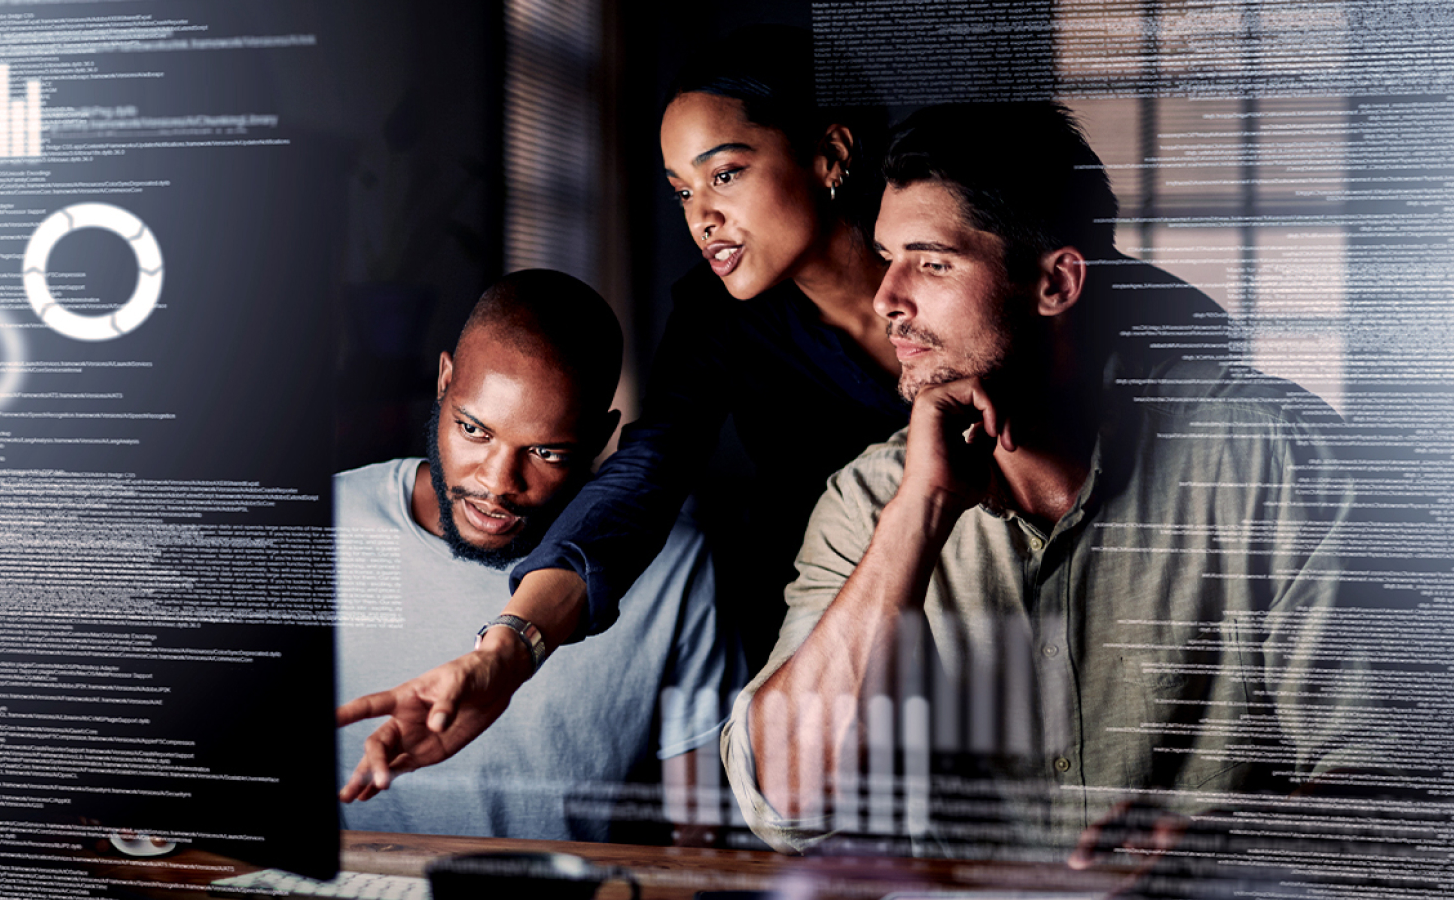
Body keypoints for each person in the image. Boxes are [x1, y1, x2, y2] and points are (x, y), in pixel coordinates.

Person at [719, 102, 1393, 878]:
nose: (886, 298)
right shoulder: (873, 500)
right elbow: (787, 806)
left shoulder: (1273, 461)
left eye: (931, 263)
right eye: (886, 257)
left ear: (1054, 282)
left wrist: (1231, 846)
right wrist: (921, 513)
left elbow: (1393, 778)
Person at [338, 25, 913, 793]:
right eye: (682, 191)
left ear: (831, 155)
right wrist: (505, 654)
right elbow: (646, 474)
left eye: (726, 174)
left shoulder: (967, 274)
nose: (700, 217)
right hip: (830, 625)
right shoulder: (718, 320)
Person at [333, 269, 742, 842]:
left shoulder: (673, 560)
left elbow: (698, 830)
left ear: (602, 438)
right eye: (474, 430)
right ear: (445, 380)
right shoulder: (328, 523)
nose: (498, 483)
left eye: (546, 452)